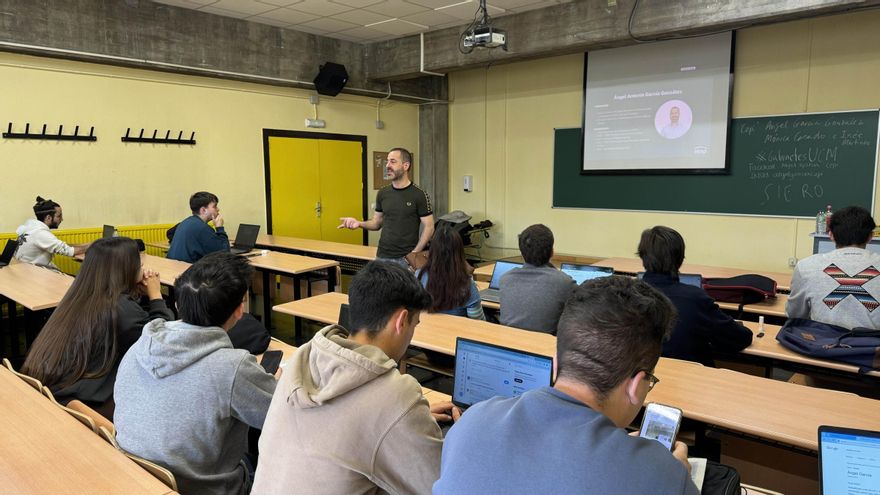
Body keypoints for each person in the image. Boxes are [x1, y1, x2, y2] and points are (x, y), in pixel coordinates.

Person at [434, 276, 698, 494]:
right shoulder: (660, 475)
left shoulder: (471, 421)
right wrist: (675, 476)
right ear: (637, 385)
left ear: (556, 362)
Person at [252, 261, 460, 494]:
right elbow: (441, 485)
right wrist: (463, 434)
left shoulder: (304, 358)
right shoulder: (397, 394)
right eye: (415, 324)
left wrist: (408, 421)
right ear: (401, 321)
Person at [114, 252, 276, 495]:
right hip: (203, 487)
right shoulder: (233, 367)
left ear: (177, 304)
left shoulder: (142, 344)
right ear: (240, 311)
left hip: (137, 476)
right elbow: (282, 416)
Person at [20, 237, 173, 418]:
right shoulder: (121, 307)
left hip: (55, 387)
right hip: (84, 402)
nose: (143, 269)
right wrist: (155, 295)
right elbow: (160, 344)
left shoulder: (81, 294)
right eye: (139, 265)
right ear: (125, 269)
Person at [637, 226, 752, 366]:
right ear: (680, 259)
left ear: (642, 257)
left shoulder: (626, 298)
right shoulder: (695, 299)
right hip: (692, 381)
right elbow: (739, 339)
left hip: (642, 380)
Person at [787, 206, 880, 329]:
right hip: (873, 346)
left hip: (821, 344)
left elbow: (794, 315)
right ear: (870, 236)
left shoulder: (806, 266)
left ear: (831, 235)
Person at [338, 147, 434, 266]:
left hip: (406, 258)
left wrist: (415, 253)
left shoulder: (419, 194)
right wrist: (359, 223)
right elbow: (376, 223)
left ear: (406, 166)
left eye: (393, 161)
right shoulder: (383, 193)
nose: (388, 165)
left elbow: (429, 227)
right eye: (387, 161)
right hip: (382, 256)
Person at [499, 224, 575, 334]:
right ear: (552, 252)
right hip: (544, 347)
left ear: (521, 253)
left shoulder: (505, 279)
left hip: (508, 343)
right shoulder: (564, 282)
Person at [416, 225, 485, 320]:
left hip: (427, 331)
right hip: (457, 333)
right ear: (460, 251)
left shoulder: (419, 275)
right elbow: (478, 322)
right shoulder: (467, 284)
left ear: (432, 250)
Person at [15, 196, 88, 270]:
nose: (62, 219)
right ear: (48, 218)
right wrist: (95, 245)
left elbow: (62, 246)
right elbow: (70, 251)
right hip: (35, 274)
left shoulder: (31, 228)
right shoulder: (41, 234)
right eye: (59, 216)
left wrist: (85, 245)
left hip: (26, 270)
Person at [167, 191, 229, 263]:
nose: (218, 209)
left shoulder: (186, 222)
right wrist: (220, 228)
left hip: (173, 267)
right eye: (214, 206)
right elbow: (225, 255)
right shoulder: (202, 228)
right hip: (187, 270)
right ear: (203, 210)